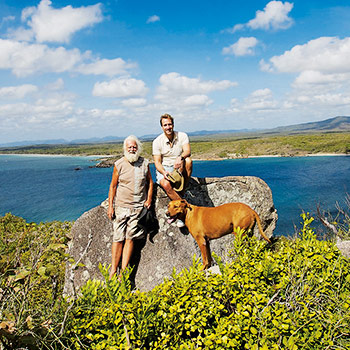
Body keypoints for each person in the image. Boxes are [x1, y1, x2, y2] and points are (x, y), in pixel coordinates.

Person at [107, 135, 153, 279]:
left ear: (138, 148)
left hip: (137, 207)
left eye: (134, 147)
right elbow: (113, 186)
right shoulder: (119, 164)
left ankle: (123, 274)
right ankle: (113, 271)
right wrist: (110, 206)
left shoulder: (145, 163)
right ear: (125, 149)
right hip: (121, 206)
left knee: (130, 238)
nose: (132, 149)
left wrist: (149, 199)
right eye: (130, 147)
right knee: (118, 238)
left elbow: (150, 183)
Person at [153, 113, 192, 201]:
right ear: (162, 127)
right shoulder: (157, 141)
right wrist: (163, 172)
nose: (168, 127)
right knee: (166, 184)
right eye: (165, 125)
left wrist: (180, 158)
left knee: (188, 161)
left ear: (173, 125)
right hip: (165, 168)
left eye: (169, 124)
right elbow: (157, 162)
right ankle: (183, 204)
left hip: (178, 166)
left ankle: (183, 190)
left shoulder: (182, 136)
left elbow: (187, 151)